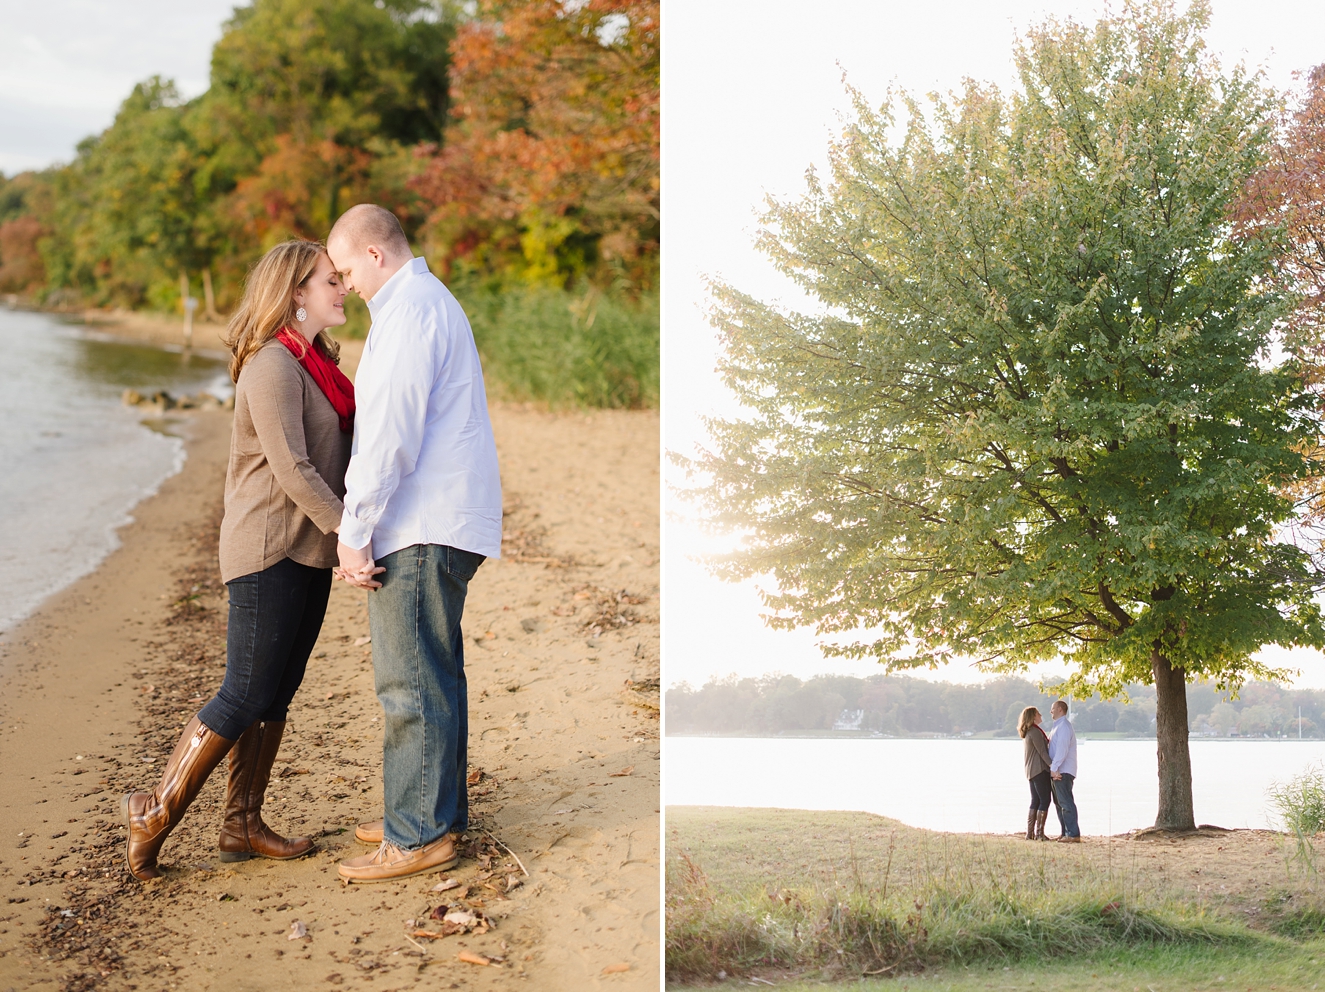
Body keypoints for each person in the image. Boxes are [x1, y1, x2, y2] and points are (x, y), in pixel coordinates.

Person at [121, 241, 355, 880]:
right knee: (245, 689)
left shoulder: (317, 364)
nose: (342, 289)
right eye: (330, 280)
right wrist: (352, 534)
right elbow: (294, 469)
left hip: (307, 548)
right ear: (295, 291)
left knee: (277, 690)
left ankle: (241, 823)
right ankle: (156, 813)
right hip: (266, 548)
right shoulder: (273, 366)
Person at [326, 204, 502, 883]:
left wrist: (354, 531)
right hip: (440, 518)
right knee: (435, 674)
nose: (344, 285)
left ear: (375, 254)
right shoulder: (421, 304)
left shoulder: (410, 313)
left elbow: (389, 438)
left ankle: (418, 832)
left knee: (409, 685)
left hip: (422, 523)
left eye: (345, 270)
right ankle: (432, 809)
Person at [1048, 699, 1081, 842]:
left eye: (1053, 708)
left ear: (1060, 709)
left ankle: (1073, 834)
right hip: (1057, 770)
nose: (1051, 711)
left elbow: (1062, 750)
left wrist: (1054, 769)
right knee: (1059, 803)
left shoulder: (1064, 727)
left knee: (1066, 802)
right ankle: (1065, 832)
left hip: (1063, 771)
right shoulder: (1057, 726)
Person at [1018, 705, 1052, 841]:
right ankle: (1039, 833)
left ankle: (1030, 833)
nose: (1041, 715)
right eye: (1038, 714)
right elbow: (1042, 751)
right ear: (1033, 716)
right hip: (1039, 770)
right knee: (1045, 800)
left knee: (1036, 800)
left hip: (1031, 771)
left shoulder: (1030, 731)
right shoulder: (1035, 732)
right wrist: (1053, 766)